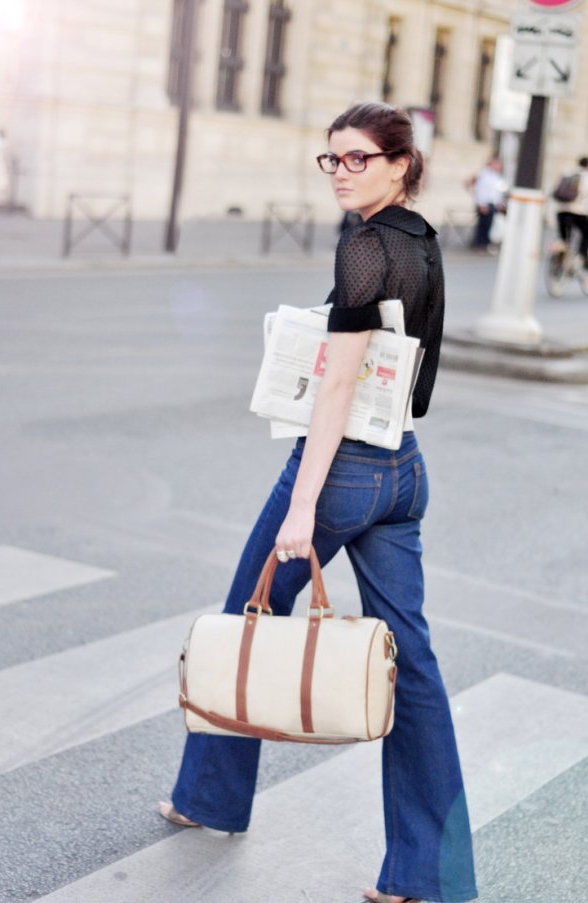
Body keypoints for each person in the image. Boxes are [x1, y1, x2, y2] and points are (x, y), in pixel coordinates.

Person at [159, 102, 478, 903]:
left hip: (341, 476)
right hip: (403, 470)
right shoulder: (420, 238)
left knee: (246, 617)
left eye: (358, 159)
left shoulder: (366, 245)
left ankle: (209, 796)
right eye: (331, 159)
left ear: (401, 162)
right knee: (417, 670)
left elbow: (337, 385)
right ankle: (425, 875)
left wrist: (304, 509)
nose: (341, 171)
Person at [553, 156, 588, 272]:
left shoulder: (567, 172)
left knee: (564, 239)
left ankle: (560, 259)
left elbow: (555, 191)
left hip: (561, 211)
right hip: (577, 212)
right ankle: (581, 255)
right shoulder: (585, 176)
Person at [466, 157, 505, 251]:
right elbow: (480, 191)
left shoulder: (495, 176)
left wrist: (500, 203)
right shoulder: (484, 175)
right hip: (485, 204)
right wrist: (481, 204)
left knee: (489, 224)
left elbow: (495, 192)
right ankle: (480, 244)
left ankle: (486, 243)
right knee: (484, 225)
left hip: (492, 204)